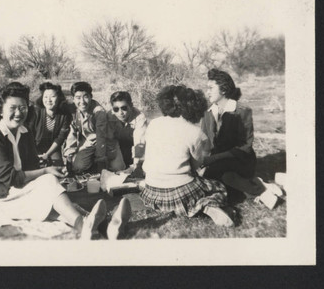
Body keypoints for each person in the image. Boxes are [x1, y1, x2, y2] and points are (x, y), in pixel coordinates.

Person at [0, 82, 131, 239]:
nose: (18, 113)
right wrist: (45, 171)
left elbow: (31, 165)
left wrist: (48, 168)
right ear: (1, 110)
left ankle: (104, 228)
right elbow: (8, 177)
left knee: (58, 202)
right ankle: (93, 225)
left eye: (22, 108)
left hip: (17, 189)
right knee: (50, 188)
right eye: (12, 108)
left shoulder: (24, 132)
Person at [140, 85, 234, 227]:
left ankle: (192, 207)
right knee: (217, 187)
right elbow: (196, 166)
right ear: (194, 107)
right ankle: (206, 205)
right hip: (180, 190)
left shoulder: (154, 123)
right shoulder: (194, 132)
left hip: (152, 190)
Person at [200, 68, 283, 209]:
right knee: (223, 177)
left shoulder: (243, 111)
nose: (207, 92)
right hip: (218, 164)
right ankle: (258, 184)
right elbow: (205, 145)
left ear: (224, 90)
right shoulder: (207, 113)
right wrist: (202, 161)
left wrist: (213, 159)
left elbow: (245, 147)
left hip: (241, 161)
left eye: (210, 88)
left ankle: (260, 191)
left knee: (213, 177)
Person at [63, 82, 126, 174]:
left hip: (107, 141)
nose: (82, 102)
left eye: (85, 96)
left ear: (91, 96)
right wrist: (69, 153)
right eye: (78, 98)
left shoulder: (99, 112)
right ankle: (90, 161)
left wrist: (100, 160)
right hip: (89, 142)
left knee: (118, 169)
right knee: (77, 167)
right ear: (73, 99)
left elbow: (101, 137)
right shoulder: (74, 110)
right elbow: (72, 133)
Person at [25, 82, 72, 166]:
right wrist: (35, 154)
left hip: (53, 148)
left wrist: (47, 154)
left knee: (58, 168)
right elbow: (29, 135)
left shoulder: (64, 115)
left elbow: (60, 138)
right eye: (45, 97)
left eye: (53, 96)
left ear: (59, 98)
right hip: (34, 147)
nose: (48, 100)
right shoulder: (35, 112)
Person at [108, 91, 148, 172]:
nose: (120, 113)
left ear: (131, 106)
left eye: (124, 108)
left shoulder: (140, 118)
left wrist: (137, 166)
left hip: (134, 145)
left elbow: (140, 143)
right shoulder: (109, 116)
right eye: (116, 109)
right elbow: (109, 141)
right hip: (117, 145)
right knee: (117, 167)